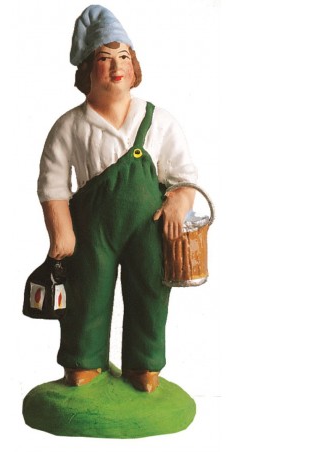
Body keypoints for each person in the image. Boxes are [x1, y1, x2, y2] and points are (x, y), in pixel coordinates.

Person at [37, 5, 198, 393]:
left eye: (123, 57)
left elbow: (184, 175)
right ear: (87, 70)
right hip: (91, 230)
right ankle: (83, 361)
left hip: (149, 228)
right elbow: (53, 184)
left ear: (134, 65)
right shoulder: (70, 125)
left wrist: (178, 203)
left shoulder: (158, 120)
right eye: (105, 59)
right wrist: (61, 231)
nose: (116, 67)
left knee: (150, 292)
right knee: (86, 292)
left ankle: (144, 365)